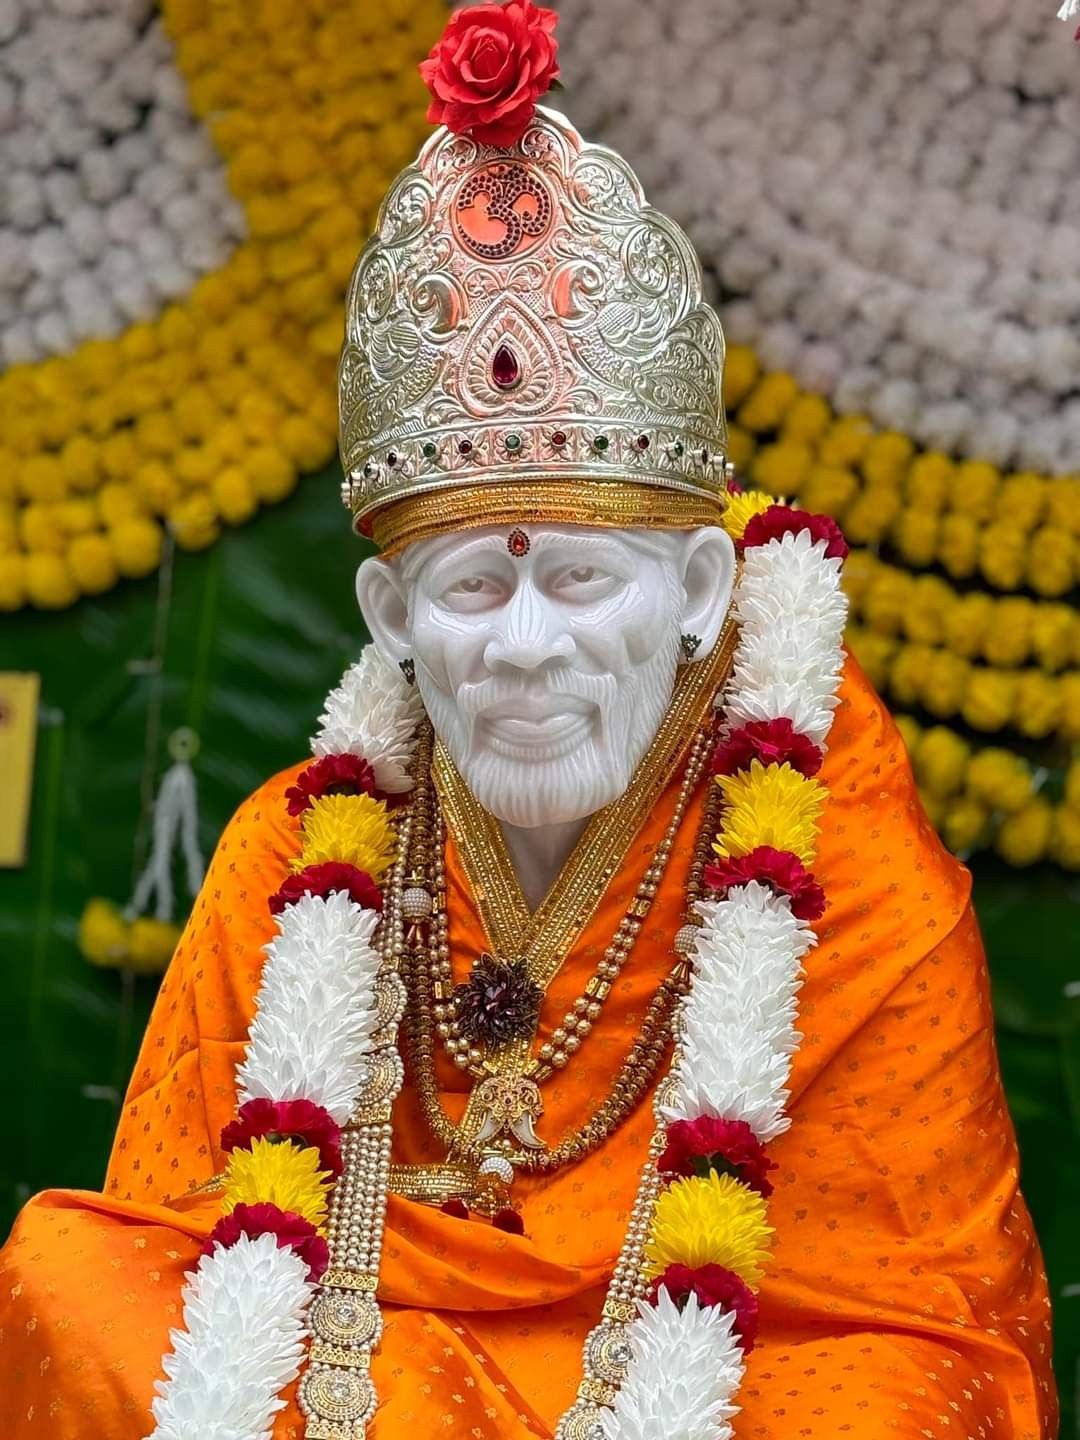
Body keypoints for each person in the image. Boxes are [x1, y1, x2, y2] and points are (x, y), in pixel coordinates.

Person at [0, 5, 1056, 1437]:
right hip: (368, 1346)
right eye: (468, 592)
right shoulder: (298, 851)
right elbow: (182, 1219)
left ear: (697, 584)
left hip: (705, 1361)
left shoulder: (840, 852)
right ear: (386, 617)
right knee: (67, 1275)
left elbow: (934, 1318)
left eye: (576, 577)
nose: (525, 649)